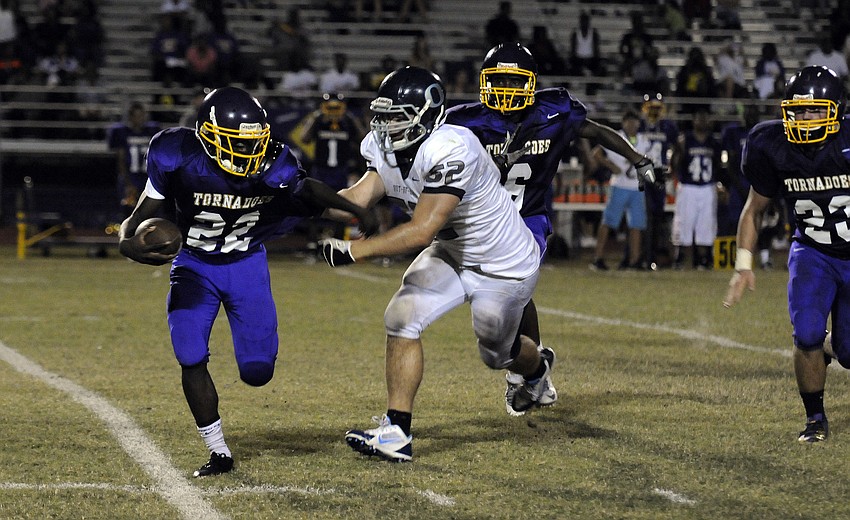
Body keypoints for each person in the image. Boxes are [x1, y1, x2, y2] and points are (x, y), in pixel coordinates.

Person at [117, 86, 379, 477]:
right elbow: (139, 216)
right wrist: (128, 244)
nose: (248, 151)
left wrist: (353, 209)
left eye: (253, 141)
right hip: (194, 266)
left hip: (246, 264)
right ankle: (218, 450)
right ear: (207, 135)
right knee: (189, 352)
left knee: (258, 371)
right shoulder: (175, 154)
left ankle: (249, 371)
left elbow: (307, 189)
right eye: (237, 142)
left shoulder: (274, 163)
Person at [318, 66, 552, 462]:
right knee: (401, 317)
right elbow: (356, 199)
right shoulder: (387, 148)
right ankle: (397, 432)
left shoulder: (452, 146)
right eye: (383, 116)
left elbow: (422, 230)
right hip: (453, 253)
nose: (385, 125)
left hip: (503, 265)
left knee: (497, 354)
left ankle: (536, 369)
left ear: (427, 113)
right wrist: (299, 199)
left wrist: (356, 251)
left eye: (396, 117)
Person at [444, 43, 659, 403]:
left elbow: (596, 132)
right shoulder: (464, 122)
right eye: (500, 81)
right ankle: (535, 366)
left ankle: (525, 373)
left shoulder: (552, 113)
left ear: (531, 84)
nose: (507, 90)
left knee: (511, 289)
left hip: (528, 218)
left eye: (515, 81)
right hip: (483, 222)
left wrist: (638, 159)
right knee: (514, 293)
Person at [723, 65, 850, 443]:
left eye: (816, 110)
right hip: (812, 251)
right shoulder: (771, 144)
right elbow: (754, 209)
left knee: (848, 352)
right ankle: (815, 419)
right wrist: (743, 265)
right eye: (799, 110)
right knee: (806, 332)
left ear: (838, 111)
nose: (806, 119)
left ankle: (831, 346)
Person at [299, 92, 367, 250]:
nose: (333, 111)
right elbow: (304, 138)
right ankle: (312, 241)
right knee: (315, 204)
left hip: (340, 171)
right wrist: (315, 117)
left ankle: (338, 241)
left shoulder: (347, 121)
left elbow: (363, 138)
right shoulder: (319, 121)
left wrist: (351, 118)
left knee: (341, 204)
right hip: (321, 170)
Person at [589, 109, 652, 271]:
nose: (631, 126)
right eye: (628, 122)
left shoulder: (643, 140)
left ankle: (635, 260)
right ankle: (598, 258)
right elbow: (596, 153)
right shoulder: (616, 137)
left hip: (637, 187)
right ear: (623, 123)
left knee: (636, 225)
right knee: (608, 222)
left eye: (634, 123)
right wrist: (611, 166)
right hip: (619, 186)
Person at [670, 108, 721, 269]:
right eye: (700, 118)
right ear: (693, 121)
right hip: (688, 186)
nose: (703, 122)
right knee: (684, 223)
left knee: (706, 225)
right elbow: (675, 163)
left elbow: (718, 165)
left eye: (705, 118)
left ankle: (704, 259)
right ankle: (681, 258)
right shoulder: (685, 140)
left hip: (707, 186)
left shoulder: (713, 142)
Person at [638, 93, 678, 269]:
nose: (654, 111)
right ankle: (642, 256)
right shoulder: (640, 126)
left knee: (657, 217)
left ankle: (652, 256)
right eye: (651, 107)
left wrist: (672, 168)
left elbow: (677, 148)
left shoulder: (668, 126)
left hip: (659, 176)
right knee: (643, 218)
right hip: (642, 175)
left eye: (657, 107)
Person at [107, 102, 161, 220]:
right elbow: (121, 160)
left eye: (142, 116)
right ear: (131, 117)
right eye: (137, 116)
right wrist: (128, 183)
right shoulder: (122, 132)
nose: (140, 119)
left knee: (150, 213)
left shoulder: (152, 131)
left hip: (148, 177)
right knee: (129, 213)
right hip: (131, 177)